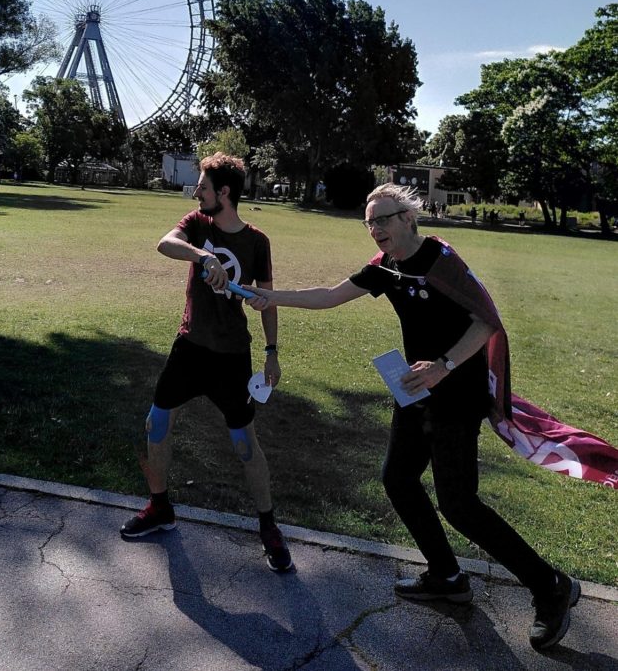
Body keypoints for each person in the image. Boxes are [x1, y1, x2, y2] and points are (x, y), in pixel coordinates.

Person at [244, 183, 579, 649]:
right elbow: (327, 295)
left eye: (383, 218)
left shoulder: (442, 259)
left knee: (459, 504)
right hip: (414, 391)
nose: (375, 229)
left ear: (408, 217)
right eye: (369, 221)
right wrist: (271, 298)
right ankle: (446, 575)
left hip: (455, 394)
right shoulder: (384, 270)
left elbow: (485, 321)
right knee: (398, 480)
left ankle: (551, 587)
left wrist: (443, 367)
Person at [120, 152, 293, 572]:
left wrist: (271, 351)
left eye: (203, 185)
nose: (196, 190)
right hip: (190, 348)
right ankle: (160, 507)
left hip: (232, 356)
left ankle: (268, 527)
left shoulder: (257, 242)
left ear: (225, 192)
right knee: (157, 422)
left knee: (244, 444)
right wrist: (203, 256)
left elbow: (267, 302)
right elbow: (165, 243)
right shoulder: (197, 225)